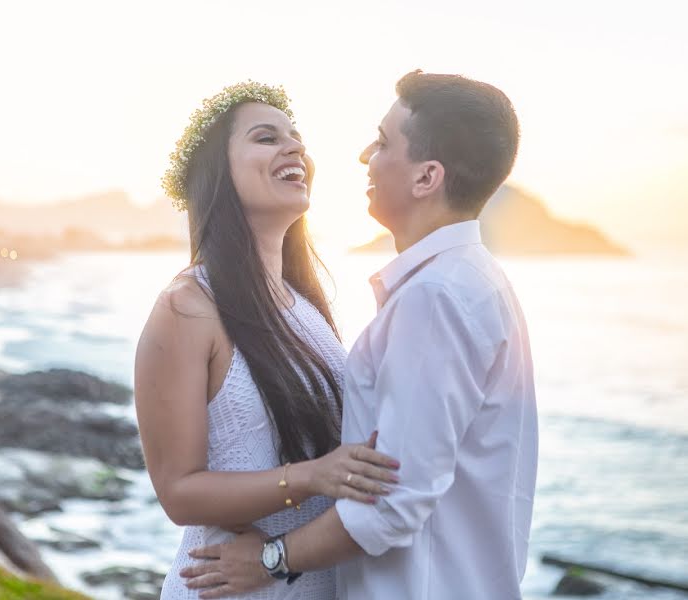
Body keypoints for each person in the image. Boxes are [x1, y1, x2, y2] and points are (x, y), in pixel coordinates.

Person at [181, 70, 539, 600]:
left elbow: (393, 501)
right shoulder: (469, 281)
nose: (364, 155)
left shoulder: (435, 297)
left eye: (384, 142)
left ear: (427, 178)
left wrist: (270, 559)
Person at [134, 81, 400, 599]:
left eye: (297, 137)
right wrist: (312, 477)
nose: (295, 147)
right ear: (219, 174)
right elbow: (178, 492)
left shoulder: (307, 306)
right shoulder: (187, 307)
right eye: (265, 137)